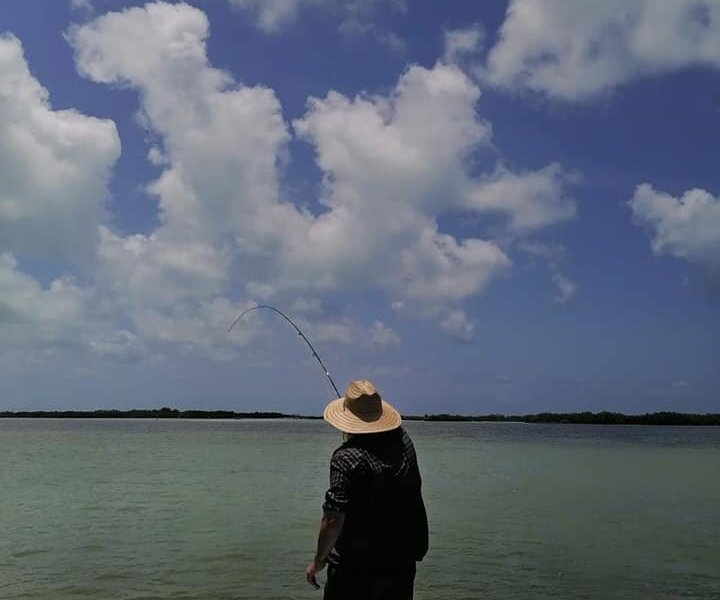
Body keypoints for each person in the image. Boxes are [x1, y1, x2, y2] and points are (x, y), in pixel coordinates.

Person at [306, 380, 429, 600]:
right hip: (401, 559)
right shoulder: (404, 441)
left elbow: (333, 519)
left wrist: (318, 560)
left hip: (355, 567)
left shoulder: (346, 458)